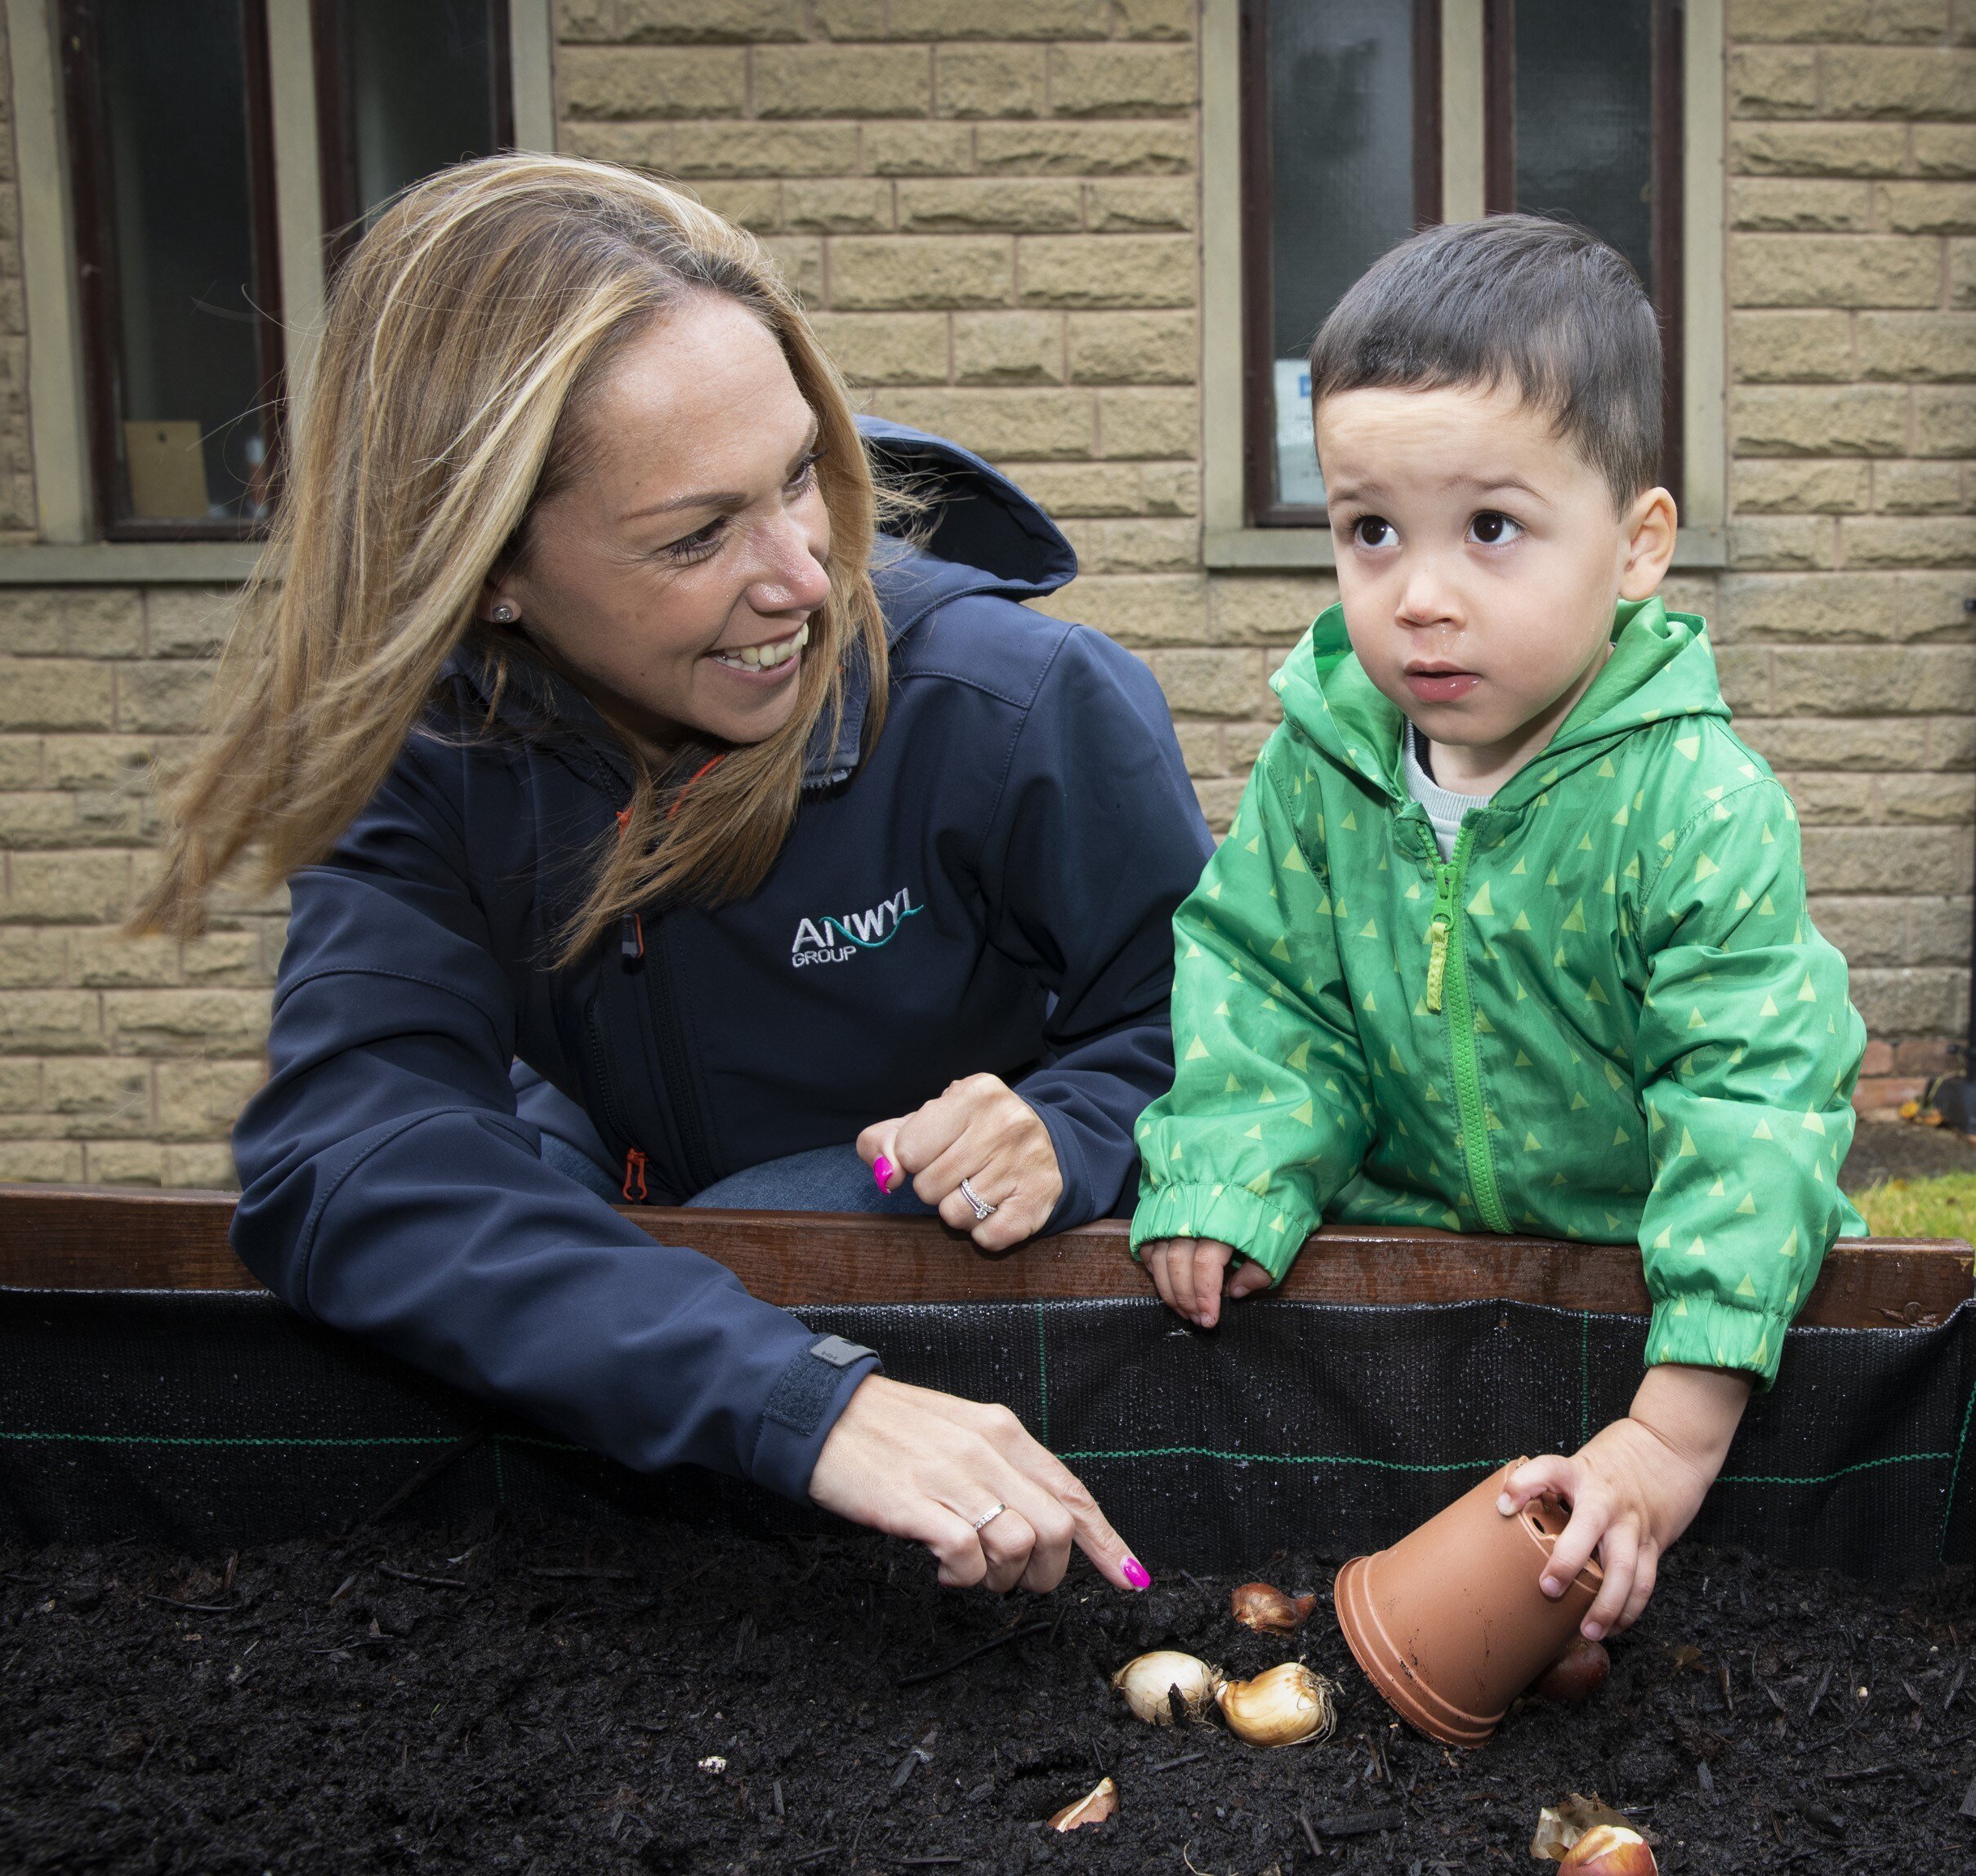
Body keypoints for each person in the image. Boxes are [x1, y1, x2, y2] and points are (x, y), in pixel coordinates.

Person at [136, 154, 1215, 1597]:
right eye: (698, 536)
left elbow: (1225, 1043)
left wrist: (1069, 1122)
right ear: (490, 571)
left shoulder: (1022, 709)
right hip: (693, 1446)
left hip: (1013, 1416)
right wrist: (796, 1396)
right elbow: (352, 1146)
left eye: (797, 479)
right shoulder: (434, 751)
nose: (805, 577)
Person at [1131, 216, 1865, 1643]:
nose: (1418, 594)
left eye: (1490, 528)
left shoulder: (1693, 804)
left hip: (1657, 1311)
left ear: (1638, 545)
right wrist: (1229, 1169)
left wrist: (1671, 1430)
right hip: (1404, 1305)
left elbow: (1755, 1100)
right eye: (1368, 530)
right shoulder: (1320, 768)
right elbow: (1264, 988)